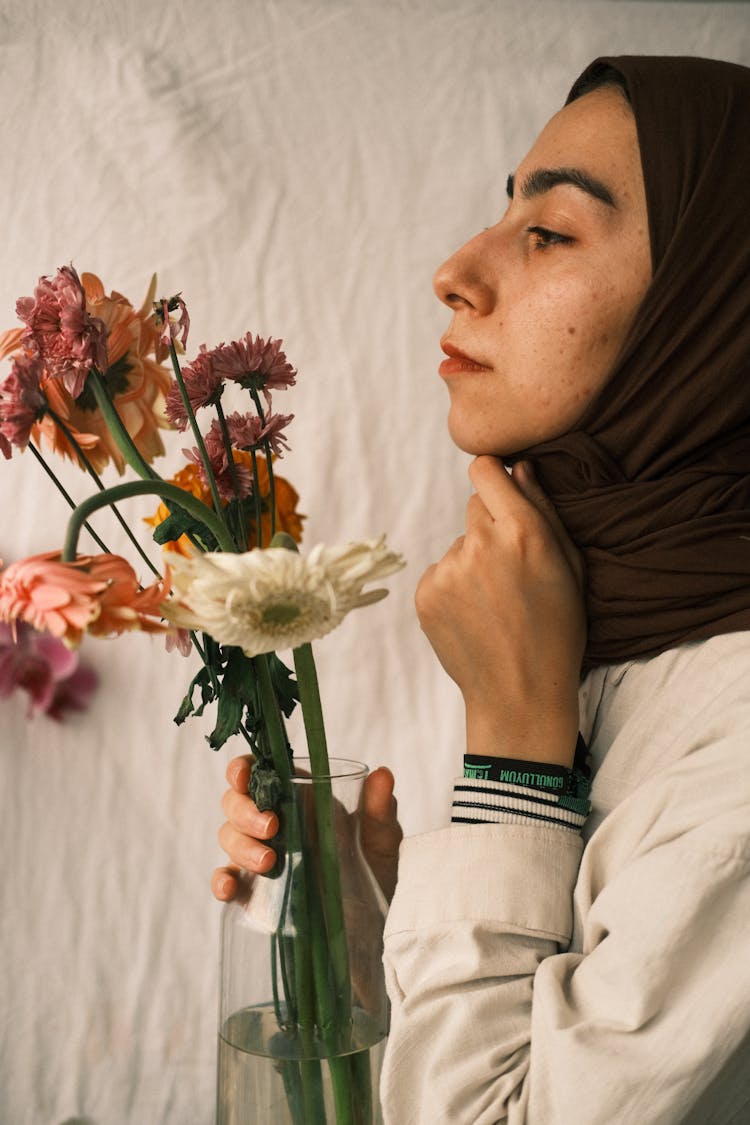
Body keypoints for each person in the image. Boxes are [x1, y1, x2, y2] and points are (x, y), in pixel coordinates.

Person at [212, 56, 750, 1123]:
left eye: (548, 232)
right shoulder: (605, 631)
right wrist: (365, 934)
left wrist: (510, 753)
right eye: (505, 212)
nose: (455, 270)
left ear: (713, 309)